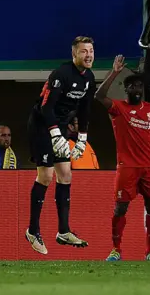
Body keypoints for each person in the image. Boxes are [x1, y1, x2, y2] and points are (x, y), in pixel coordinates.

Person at [94, 56, 150, 262]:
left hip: (149, 166)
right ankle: (116, 249)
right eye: (132, 86)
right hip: (127, 166)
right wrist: (114, 72)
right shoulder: (118, 109)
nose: (137, 89)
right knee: (120, 207)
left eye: (139, 85)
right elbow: (98, 95)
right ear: (126, 89)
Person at [25, 36, 96, 255]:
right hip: (41, 126)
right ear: (74, 54)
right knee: (45, 176)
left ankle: (63, 231)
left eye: (91, 51)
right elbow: (46, 108)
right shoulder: (60, 74)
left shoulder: (89, 78)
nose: (89, 55)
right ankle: (32, 230)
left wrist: (82, 138)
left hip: (61, 127)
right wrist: (56, 135)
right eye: (84, 51)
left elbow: (84, 111)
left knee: (65, 174)